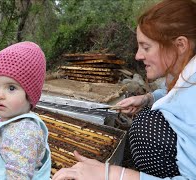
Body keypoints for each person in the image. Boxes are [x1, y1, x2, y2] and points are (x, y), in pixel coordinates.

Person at [52, 0, 196, 179]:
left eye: (146, 47)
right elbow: (174, 94)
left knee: (148, 126)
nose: (138, 55)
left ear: (180, 45)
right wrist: (148, 99)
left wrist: (112, 174)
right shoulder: (187, 75)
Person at [0, 41, 51, 179]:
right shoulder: (2, 121)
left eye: (11, 88)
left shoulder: (24, 132)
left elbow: (18, 176)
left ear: (30, 95)